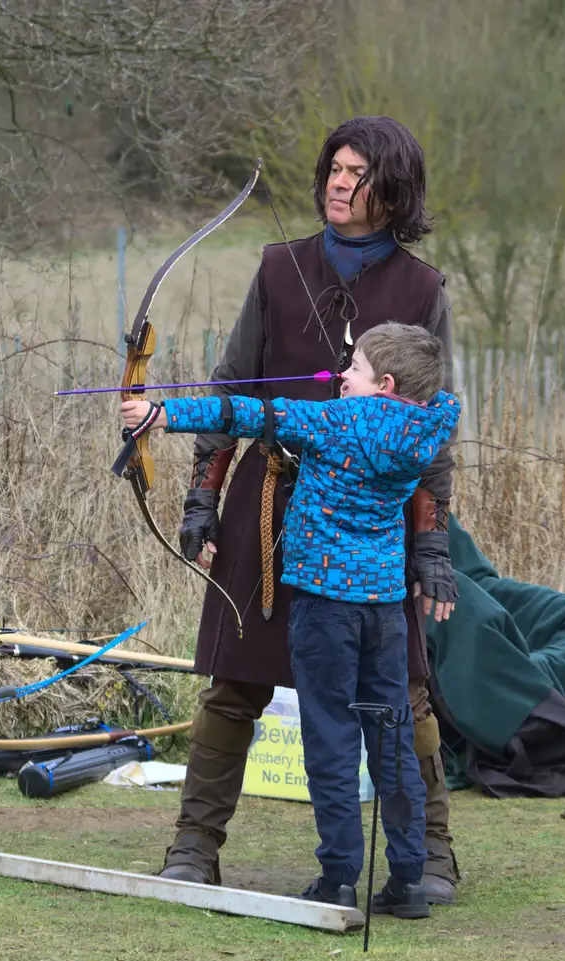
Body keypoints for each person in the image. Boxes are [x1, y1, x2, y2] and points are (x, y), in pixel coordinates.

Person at [153, 115, 464, 903]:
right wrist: (201, 497)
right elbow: (234, 393)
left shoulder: (423, 290)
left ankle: (427, 857)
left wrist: (430, 548)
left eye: (357, 173)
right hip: (267, 499)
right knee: (235, 678)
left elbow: (427, 433)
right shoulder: (279, 267)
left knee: (404, 692)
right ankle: (195, 847)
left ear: (390, 193)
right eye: (334, 166)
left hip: (369, 516)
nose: (337, 180)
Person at [122, 322, 459, 914]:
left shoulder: (333, 422)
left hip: (324, 611)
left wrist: (159, 416)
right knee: (392, 737)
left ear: (383, 383)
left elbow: (250, 416)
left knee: (330, 739)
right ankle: (408, 879)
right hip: (384, 610)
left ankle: (339, 879)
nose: (339, 376)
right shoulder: (427, 429)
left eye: (351, 369)